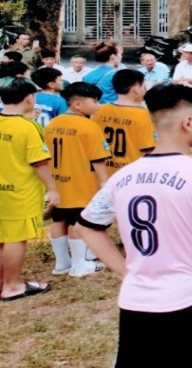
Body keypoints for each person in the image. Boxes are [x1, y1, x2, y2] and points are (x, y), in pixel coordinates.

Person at [77, 84, 192, 368]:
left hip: (137, 299)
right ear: (188, 122)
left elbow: (87, 226)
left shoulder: (124, 176)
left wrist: (125, 270)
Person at [0, 76, 57, 301]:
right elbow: (39, 162)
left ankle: (3, 282)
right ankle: (12, 286)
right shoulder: (28, 127)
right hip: (19, 192)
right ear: (29, 98)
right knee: (16, 238)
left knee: (3, 236)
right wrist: (52, 189)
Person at [44, 81, 108, 278]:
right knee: (77, 222)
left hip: (58, 182)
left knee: (59, 220)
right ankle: (80, 265)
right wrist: (104, 181)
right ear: (78, 104)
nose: (98, 105)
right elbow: (98, 157)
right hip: (81, 182)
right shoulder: (90, 126)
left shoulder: (53, 124)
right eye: (95, 101)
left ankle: (62, 263)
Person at [93, 70, 156, 171]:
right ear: (136, 89)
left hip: (102, 171)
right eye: (144, 86)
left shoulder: (99, 110)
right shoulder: (144, 114)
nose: (146, 90)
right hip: (129, 173)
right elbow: (148, 150)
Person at [31, 66, 66, 132]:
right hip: (50, 134)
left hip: (34, 133)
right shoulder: (59, 101)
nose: (62, 82)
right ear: (51, 84)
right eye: (60, 80)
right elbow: (64, 123)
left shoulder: (32, 98)